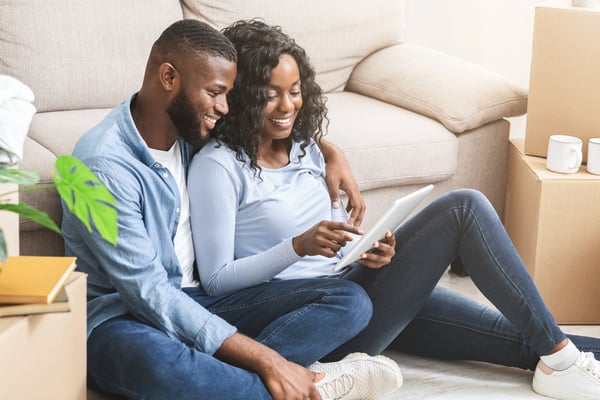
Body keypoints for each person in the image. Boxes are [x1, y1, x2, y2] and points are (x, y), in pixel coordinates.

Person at [188, 19, 600, 400]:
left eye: (294, 91)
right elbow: (217, 281)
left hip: (351, 281)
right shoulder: (218, 167)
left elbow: (329, 230)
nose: (286, 106)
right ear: (240, 96)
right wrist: (297, 247)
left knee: (529, 338)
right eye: (269, 94)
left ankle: (565, 362)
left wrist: (366, 249)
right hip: (317, 315)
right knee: (463, 208)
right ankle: (313, 369)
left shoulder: (306, 148)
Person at [61, 19, 405, 400]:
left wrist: (330, 151)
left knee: (348, 300)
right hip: (123, 317)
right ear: (169, 78)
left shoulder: (189, 129)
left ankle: (250, 382)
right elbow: (150, 293)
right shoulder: (103, 167)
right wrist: (265, 359)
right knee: (159, 364)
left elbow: (272, 125)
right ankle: (317, 389)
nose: (224, 108)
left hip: (203, 301)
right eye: (215, 93)